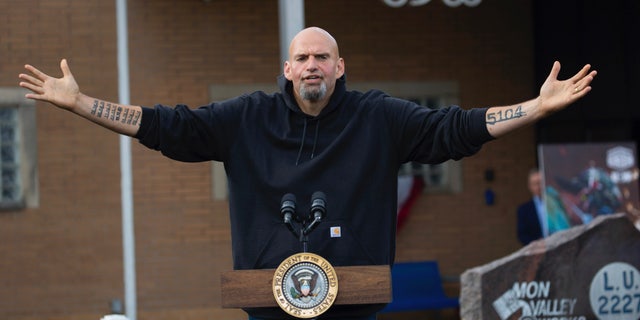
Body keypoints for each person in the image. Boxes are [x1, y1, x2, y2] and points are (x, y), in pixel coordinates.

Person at [18, 27, 596, 320]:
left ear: (339, 67)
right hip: (267, 306)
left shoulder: (379, 118)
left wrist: (535, 108)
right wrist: (83, 104)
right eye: (302, 57)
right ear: (287, 69)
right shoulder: (246, 118)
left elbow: (457, 128)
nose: (312, 65)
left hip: (356, 306)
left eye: (323, 56)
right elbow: (167, 127)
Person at [517, 168, 548, 245]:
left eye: (540, 182)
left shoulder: (554, 202)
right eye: (535, 184)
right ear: (530, 186)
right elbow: (522, 235)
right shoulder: (524, 210)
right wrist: (537, 244)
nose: (539, 187)